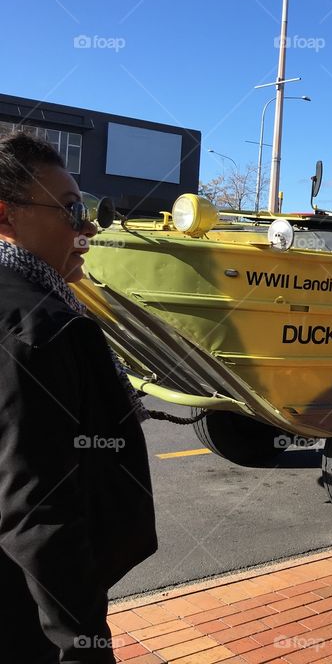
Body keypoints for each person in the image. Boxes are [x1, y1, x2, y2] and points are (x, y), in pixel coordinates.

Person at [0, 132, 157, 663]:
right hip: (22, 611)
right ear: (6, 216)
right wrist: (82, 645)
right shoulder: (41, 326)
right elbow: (37, 511)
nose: (87, 226)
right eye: (70, 210)